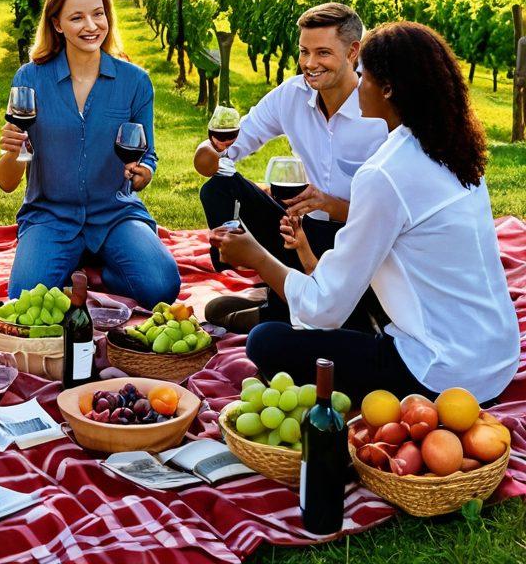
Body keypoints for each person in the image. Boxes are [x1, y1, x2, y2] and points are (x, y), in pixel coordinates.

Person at [210, 22, 520, 404]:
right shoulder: (455, 150)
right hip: (497, 360)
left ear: (388, 88)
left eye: (365, 75)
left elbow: (324, 310)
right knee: (339, 295)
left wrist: (255, 256)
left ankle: (268, 316)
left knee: (267, 342)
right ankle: (281, 310)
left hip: (443, 376)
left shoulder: (384, 172)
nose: (359, 84)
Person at [195, 2, 388, 332]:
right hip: (303, 234)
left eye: (323, 53)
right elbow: (220, 157)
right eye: (304, 52)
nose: (310, 64)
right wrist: (211, 147)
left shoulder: (379, 112)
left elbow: (388, 219)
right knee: (219, 187)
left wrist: (328, 204)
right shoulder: (292, 95)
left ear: (352, 51)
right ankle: (280, 294)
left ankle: (279, 308)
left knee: (274, 331)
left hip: (359, 243)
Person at [0, 0, 180, 309]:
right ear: (57, 24)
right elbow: (7, 183)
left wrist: (144, 173)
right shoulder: (30, 79)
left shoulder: (134, 81)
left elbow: (147, 155)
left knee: (162, 286)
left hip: (115, 213)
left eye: (98, 14)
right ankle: (69, 263)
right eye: (77, 17)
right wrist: (10, 152)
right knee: (22, 299)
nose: (91, 26)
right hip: (50, 215)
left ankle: (93, 273)